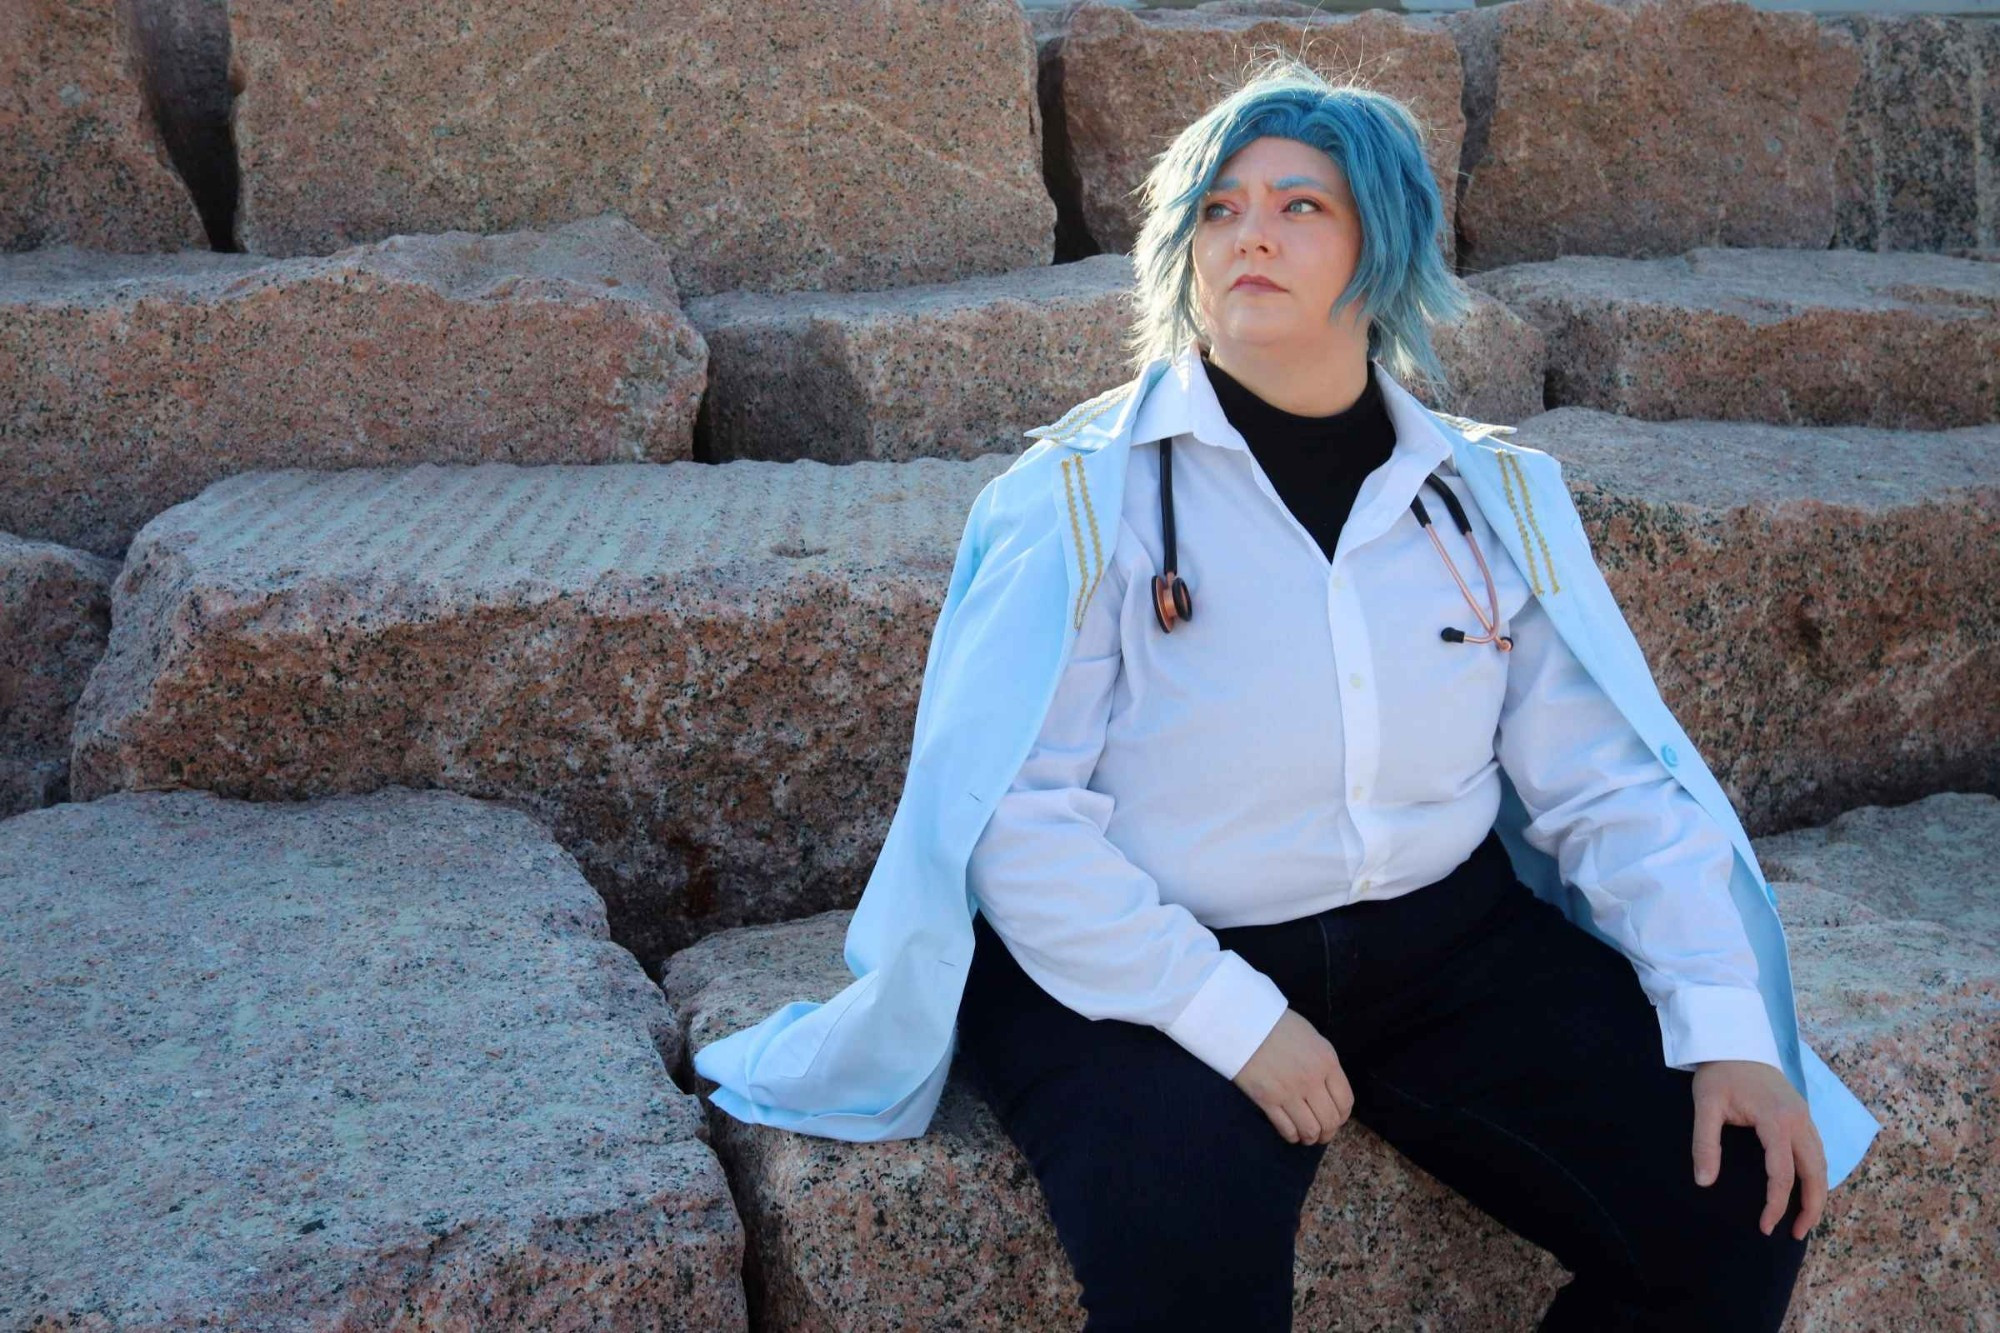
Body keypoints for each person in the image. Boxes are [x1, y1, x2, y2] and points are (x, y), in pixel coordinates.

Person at [947, 60, 1828, 1331]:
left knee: (1734, 1200)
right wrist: (1227, 1015)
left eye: (1300, 205)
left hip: (1441, 943)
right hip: (1144, 955)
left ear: (1384, 245)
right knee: (1185, 1269)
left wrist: (1720, 1020)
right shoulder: (1079, 496)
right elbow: (1011, 819)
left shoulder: (1484, 497)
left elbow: (1606, 781)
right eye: (1217, 207)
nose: (1249, 229)